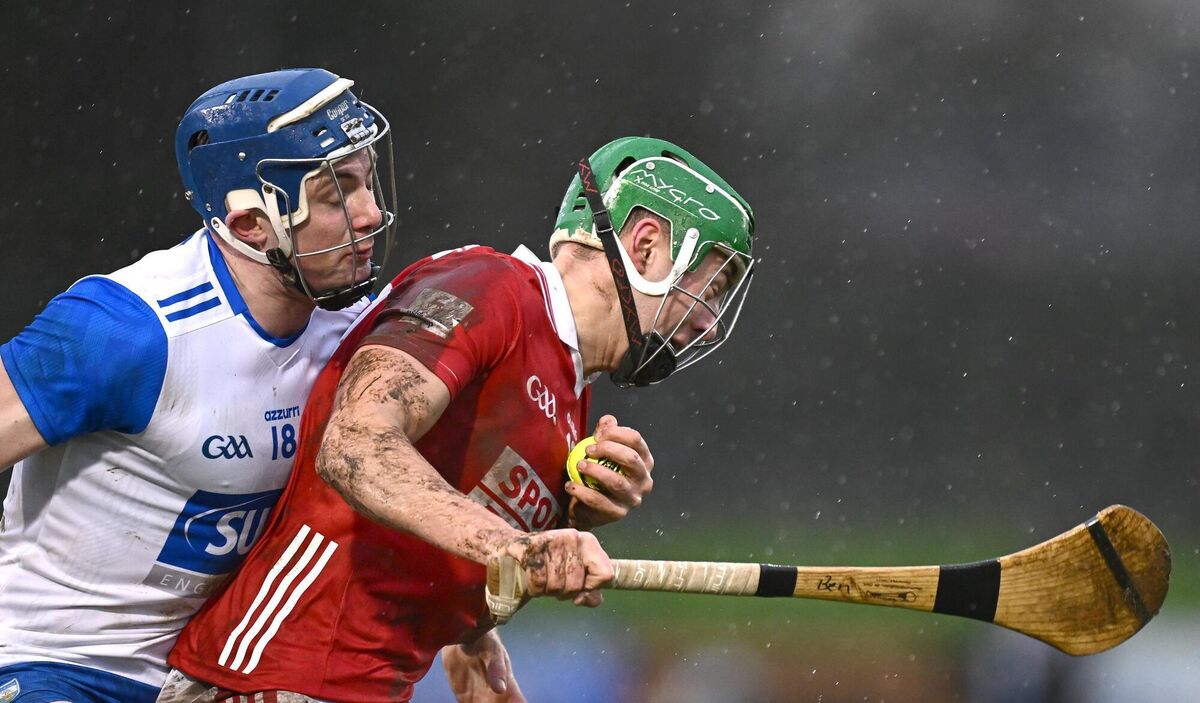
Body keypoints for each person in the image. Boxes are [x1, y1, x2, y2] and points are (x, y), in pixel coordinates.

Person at [160, 136, 756, 703]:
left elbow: (437, 529)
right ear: (646, 246)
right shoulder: (491, 289)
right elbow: (354, 446)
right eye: (711, 285)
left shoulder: (571, 396)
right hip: (269, 680)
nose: (708, 323)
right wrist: (518, 548)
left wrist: (476, 631)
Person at [0, 68, 396, 703]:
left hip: (216, 674)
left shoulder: (360, 329)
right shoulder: (126, 330)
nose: (371, 213)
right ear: (250, 225)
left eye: (368, 182)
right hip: (55, 664)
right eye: (336, 194)